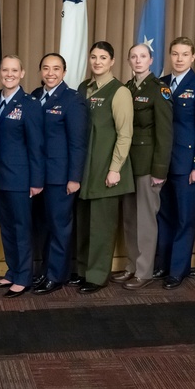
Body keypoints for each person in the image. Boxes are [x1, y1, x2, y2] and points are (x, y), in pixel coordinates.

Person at [76, 41, 135, 295]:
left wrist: (115, 168)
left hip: (106, 168)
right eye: (93, 57)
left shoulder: (119, 91)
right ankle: (81, 271)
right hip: (84, 169)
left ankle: (97, 276)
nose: (97, 62)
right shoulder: (82, 88)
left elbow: (125, 134)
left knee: (101, 226)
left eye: (103, 57)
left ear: (112, 61)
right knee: (84, 223)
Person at [157, 37, 195, 290]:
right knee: (165, 216)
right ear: (169, 56)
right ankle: (164, 264)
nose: (179, 59)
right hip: (163, 164)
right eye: (175, 54)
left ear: (193, 57)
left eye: (184, 54)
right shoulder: (161, 84)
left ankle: (177, 270)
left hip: (187, 164)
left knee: (184, 219)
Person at [29, 53, 88, 293]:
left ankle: (57, 275)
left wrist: (74, 178)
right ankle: (44, 271)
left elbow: (78, 143)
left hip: (60, 176)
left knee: (59, 226)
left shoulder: (73, 100)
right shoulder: (34, 96)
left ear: (64, 72)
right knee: (42, 227)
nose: (50, 73)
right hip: (37, 175)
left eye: (56, 68)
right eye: (46, 68)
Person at [117, 43, 172, 290]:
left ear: (151, 60)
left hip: (148, 164)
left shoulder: (159, 89)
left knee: (146, 220)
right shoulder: (126, 88)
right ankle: (131, 266)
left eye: (143, 56)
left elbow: (165, 133)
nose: (138, 61)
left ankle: (145, 270)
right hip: (127, 163)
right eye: (133, 57)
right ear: (129, 61)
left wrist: (160, 170)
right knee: (129, 218)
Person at [0, 55, 44, 298]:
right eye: (4, 70)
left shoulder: (30, 104)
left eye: (14, 70)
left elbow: (37, 146)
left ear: (22, 73)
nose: (9, 74)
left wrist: (36, 181)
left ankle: (24, 276)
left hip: (21, 178)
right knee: (7, 227)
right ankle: (12, 270)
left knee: (22, 228)